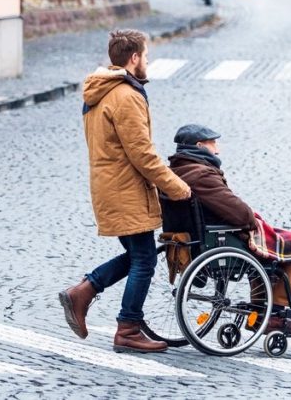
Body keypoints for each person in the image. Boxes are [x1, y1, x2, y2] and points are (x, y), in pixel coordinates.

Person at [59, 29, 191, 354]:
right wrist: (177, 187)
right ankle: (128, 327)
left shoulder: (101, 91)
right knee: (145, 260)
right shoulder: (126, 96)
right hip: (125, 190)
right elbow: (142, 154)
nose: (148, 62)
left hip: (110, 186)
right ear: (134, 58)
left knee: (137, 255)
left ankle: (84, 291)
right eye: (146, 56)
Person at [167, 124, 291, 334]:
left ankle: (262, 312)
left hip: (200, 236)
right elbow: (239, 214)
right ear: (200, 146)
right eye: (213, 143)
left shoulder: (176, 171)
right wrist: (251, 219)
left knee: (269, 251)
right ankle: (273, 315)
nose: (217, 149)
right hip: (221, 237)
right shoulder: (202, 174)